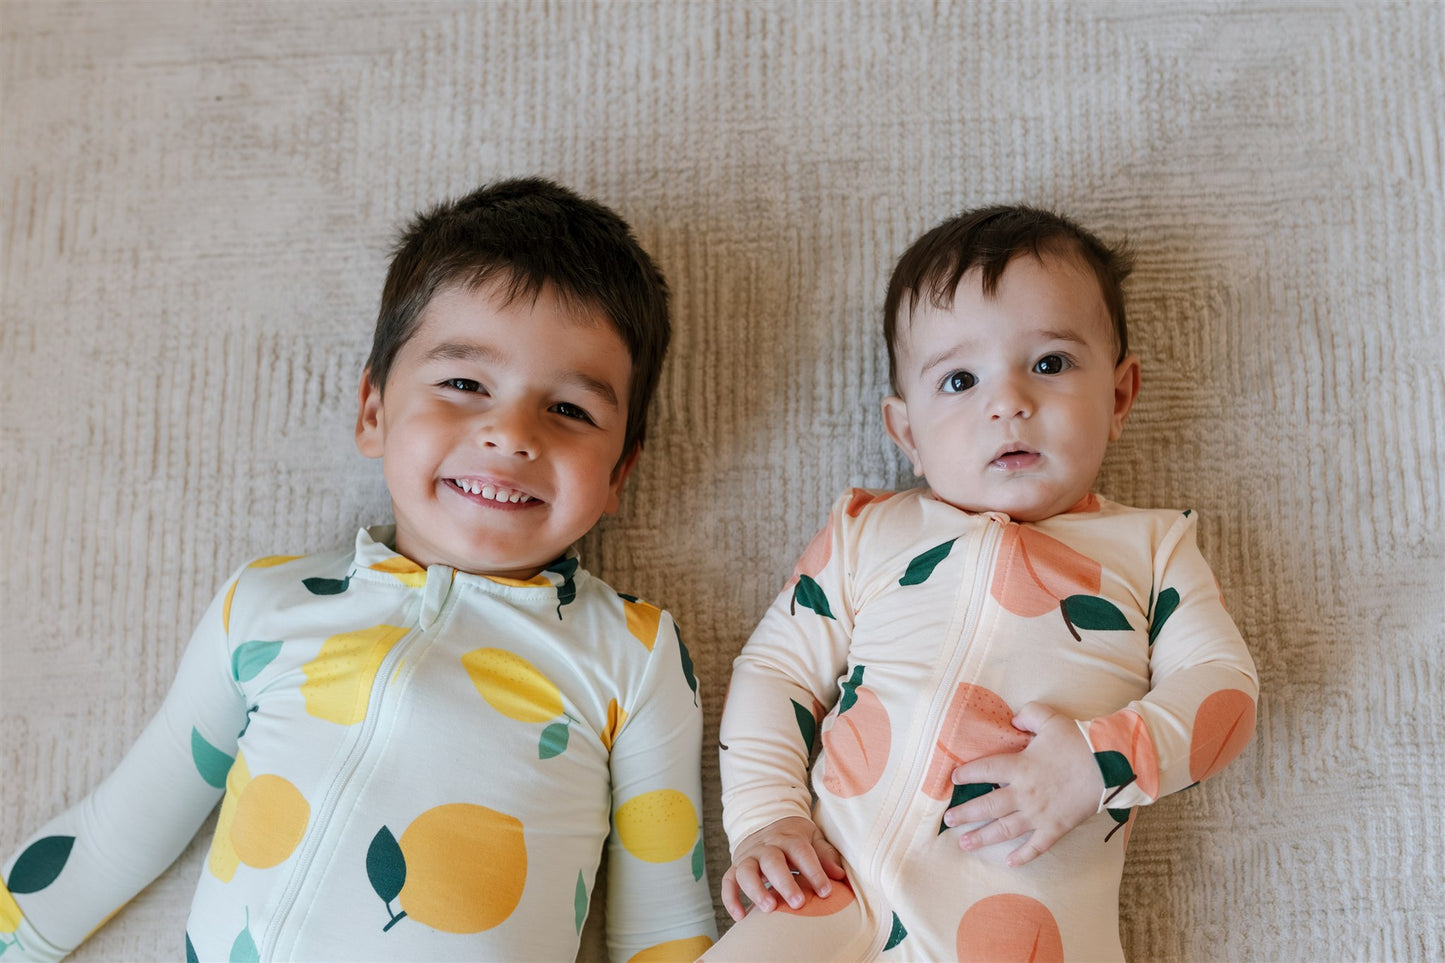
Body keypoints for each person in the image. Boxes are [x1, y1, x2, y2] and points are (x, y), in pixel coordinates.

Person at [0, 178, 717, 963]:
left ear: (620, 472)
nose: (511, 433)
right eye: (465, 384)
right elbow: (118, 834)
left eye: (570, 410)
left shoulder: (632, 656)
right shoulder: (267, 606)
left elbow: (660, 926)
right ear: (372, 410)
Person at [707, 205, 1258, 961]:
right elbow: (776, 669)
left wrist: (1098, 760)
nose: (1008, 402)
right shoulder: (868, 531)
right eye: (960, 378)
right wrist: (767, 818)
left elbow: (1224, 690)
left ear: (1120, 396)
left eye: (1050, 363)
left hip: (1019, 926)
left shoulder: (1151, 549)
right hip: (828, 895)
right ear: (906, 433)